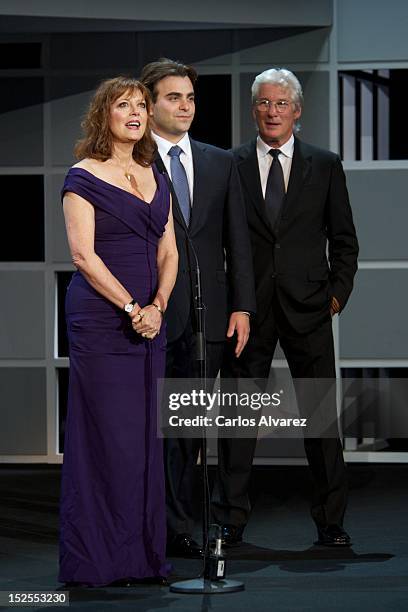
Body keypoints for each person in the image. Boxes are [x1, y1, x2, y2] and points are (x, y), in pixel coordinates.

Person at [214, 68, 359, 547]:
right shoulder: (230, 164)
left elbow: (344, 241)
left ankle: (331, 521)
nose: (272, 112)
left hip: (310, 307)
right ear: (253, 109)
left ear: (297, 110)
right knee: (238, 417)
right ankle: (230, 519)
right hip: (247, 310)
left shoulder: (325, 163)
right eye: (263, 103)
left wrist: (335, 295)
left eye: (281, 104)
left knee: (320, 419)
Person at [59, 76, 178, 586]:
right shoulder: (82, 175)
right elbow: (83, 256)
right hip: (104, 322)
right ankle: (98, 561)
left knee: (145, 442)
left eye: (141, 106)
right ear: (102, 115)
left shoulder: (156, 173)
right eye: (123, 105)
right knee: (110, 440)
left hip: (150, 324)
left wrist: (157, 306)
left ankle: (144, 558)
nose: (135, 113)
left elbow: (168, 250)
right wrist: (132, 307)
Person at [140, 58, 256, 558]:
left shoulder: (219, 161)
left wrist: (243, 307)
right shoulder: (135, 161)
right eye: (173, 97)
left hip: (210, 317)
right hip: (152, 315)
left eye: (189, 97)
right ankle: (154, 526)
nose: (185, 106)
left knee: (187, 431)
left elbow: (238, 240)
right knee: (154, 430)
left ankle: (181, 528)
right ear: (149, 103)